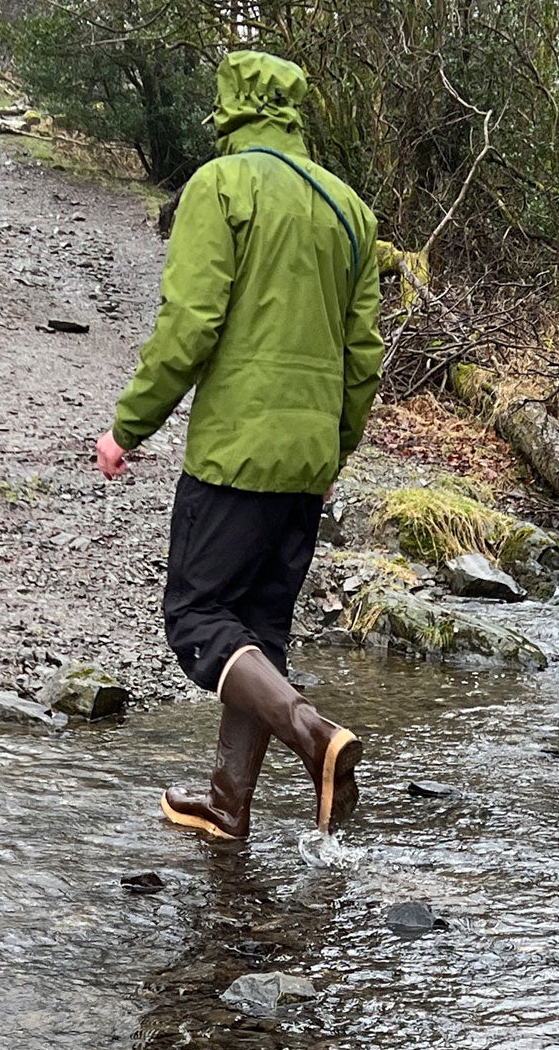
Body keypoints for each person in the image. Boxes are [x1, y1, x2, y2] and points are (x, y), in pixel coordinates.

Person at [96, 49, 382, 841]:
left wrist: (129, 425)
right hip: (307, 462)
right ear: (291, 112)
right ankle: (228, 802)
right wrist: (336, 452)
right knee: (258, 629)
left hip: (234, 455)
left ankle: (315, 737)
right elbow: (365, 357)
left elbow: (190, 324)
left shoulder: (220, 188)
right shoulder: (351, 210)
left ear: (228, 110)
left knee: (196, 618)